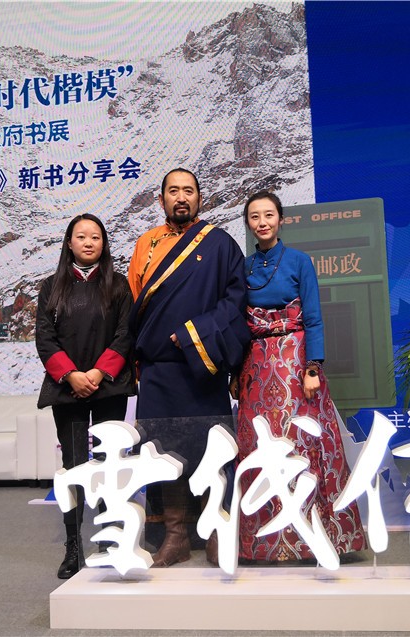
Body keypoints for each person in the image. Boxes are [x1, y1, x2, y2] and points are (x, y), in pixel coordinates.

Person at [232, 190, 367, 562]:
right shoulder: (242, 267)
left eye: (269, 214)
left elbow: (314, 318)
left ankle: (317, 537)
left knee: (302, 442)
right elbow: (237, 322)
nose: (262, 222)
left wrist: (313, 368)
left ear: (281, 219)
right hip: (256, 365)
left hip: (295, 361)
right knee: (260, 445)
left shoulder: (299, 261)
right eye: (255, 216)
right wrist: (235, 371)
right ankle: (264, 542)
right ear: (248, 223)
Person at [128, 167, 250, 567]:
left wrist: (194, 333)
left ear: (200, 197)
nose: (181, 197)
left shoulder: (220, 244)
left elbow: (235, 303)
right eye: (173, 191)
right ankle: (176, 536)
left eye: (189, 191)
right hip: (158, 370)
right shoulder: (146, 244)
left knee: (211, 451)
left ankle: (214, 532)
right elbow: (133, 306)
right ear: (161, 199)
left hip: (203, 365)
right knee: (164, 453)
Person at [36, 213, 135, 579]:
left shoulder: (119, 285)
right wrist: (72, 375)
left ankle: (109, 538)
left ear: (103, 243)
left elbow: (125, 334)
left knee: (109, 464)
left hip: (109, 387)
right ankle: (73, 545)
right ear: (69, 243)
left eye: (96, 236)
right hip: (68, 390)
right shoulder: (51, 287)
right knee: (75, 467)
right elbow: (44, 337)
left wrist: (97, 372)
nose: (89, 242)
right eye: (81, 236)